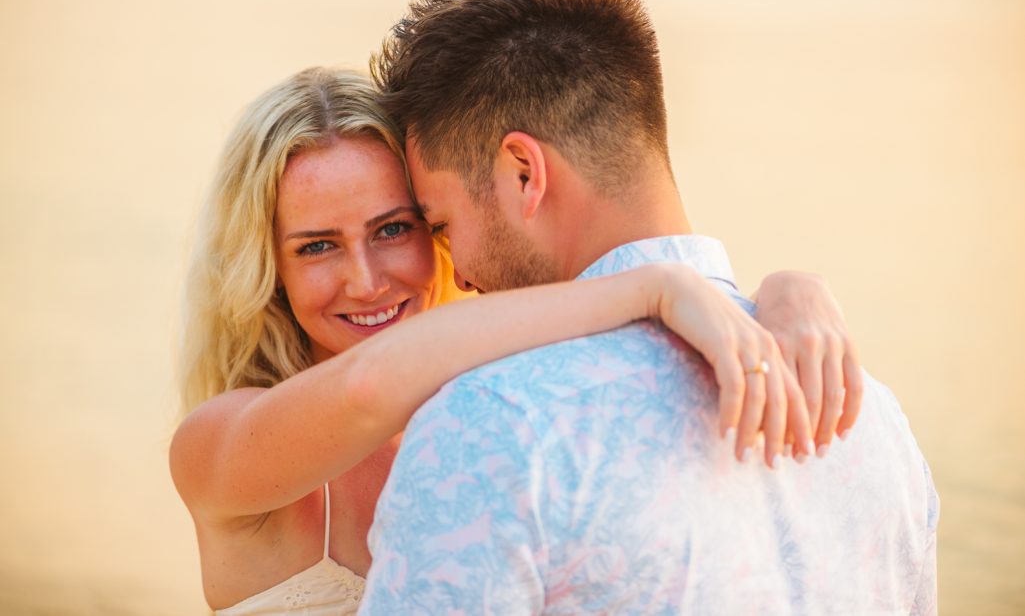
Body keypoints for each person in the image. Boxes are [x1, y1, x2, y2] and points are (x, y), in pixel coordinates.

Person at [360, 0, 938, 614]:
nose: (453, 272)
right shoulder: (873, 421)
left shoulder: (491, 430)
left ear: (523, 171)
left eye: (440, 223)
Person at [170, 67, 862, 615]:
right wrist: (653, 286)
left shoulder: (506, 402)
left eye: (393, 229)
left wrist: (781, 292)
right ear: (269, 273)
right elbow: (366, 387)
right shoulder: (216, 446)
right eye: (317, 246)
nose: (366, 280)